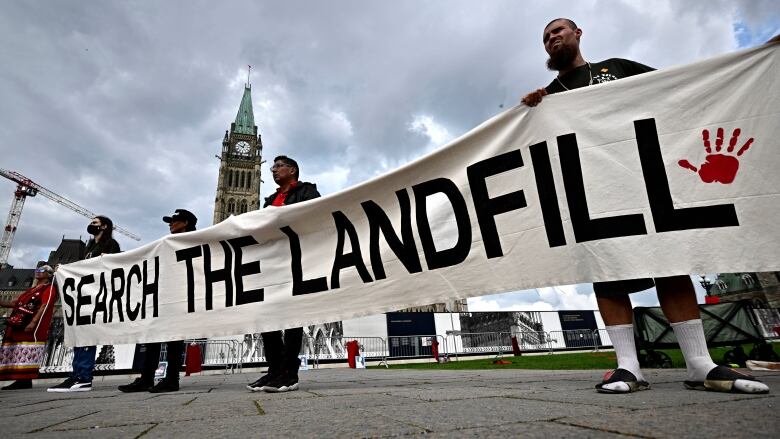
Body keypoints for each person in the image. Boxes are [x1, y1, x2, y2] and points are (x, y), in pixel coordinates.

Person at [522, 18, 769, 394]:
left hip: (644, 178)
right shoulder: (549, 97)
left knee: (670, 262)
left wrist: (756, 58)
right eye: (545, 37)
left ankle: (700, 363)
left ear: (578, 33)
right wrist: (531, 111)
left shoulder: (616, 69)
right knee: (607, 272)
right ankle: (628, 367)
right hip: (593, 191)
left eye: (557, 31)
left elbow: (677, 87)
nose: (551, 38)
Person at [247, 155, 321, 393]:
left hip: (296, 261)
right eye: (273, 167)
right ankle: (274, 370)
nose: (274, 170)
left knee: (291, 318)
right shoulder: (270, 200)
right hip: (271, 263)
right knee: (267, 317)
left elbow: (316, 218)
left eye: (279, 166)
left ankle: (290, 373)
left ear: (293, 170)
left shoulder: (307, 192)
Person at [118, 209, 197, 393]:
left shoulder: (194, 241)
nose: (170, 224)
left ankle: (171, 379)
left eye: (174, 221)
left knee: (174, 339)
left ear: (185, 223)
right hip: (163, 296)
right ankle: (147, 378)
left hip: (182, 297)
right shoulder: (165, 244)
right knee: (153, 336)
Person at [48, 215, 121, 393]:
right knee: (79, 335)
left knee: (87, 335)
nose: (91, 225)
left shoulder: (111, 244)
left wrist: (108, 259)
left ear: (104, 226)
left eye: (95, 223)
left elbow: (117, 265)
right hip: (83, 295)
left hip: (96, 295)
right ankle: (76, 374)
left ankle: (84, 377)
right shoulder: (89, 247)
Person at [0, 265, 58, 390]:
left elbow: (44, 306)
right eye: (37, 270)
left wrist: (33, 322)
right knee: (19, 350)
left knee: (27, 349)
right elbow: (14, 303)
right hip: (20, 324)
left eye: (41, 271)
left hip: (32, 325)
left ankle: (24, 379)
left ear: (49, 275)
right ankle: (20, 379)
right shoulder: (31, 290)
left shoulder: (49, 288)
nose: (37, 272)